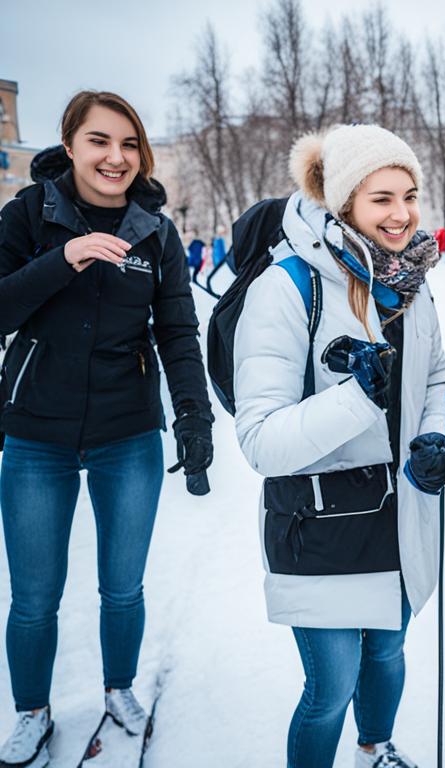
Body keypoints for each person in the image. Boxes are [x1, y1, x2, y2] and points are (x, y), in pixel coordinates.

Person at [0, 91, 214, 767]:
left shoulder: (155, 230)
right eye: (99, 141)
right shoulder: (29, 216)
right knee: (34, 597)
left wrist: (193, 416)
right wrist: (63, 260)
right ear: (70, 146)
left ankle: (118, 689)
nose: (115, 158)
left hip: (127, 433)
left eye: (128, 145)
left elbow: (179, 331)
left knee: (123, 586)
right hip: (37, 435)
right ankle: (32, 711)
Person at [231, 125, 445, 768]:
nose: (403, 213)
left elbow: (435, 374)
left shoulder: (411, 283)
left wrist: (431, 433)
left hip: (400, 511)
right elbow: (260, 440)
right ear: (346, 200)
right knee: (330, 686)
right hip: (319, 522)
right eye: (382, 198)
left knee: (386, 653)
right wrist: (358, 398)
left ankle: (375, 749)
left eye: (409, 195)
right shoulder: (288, 284)